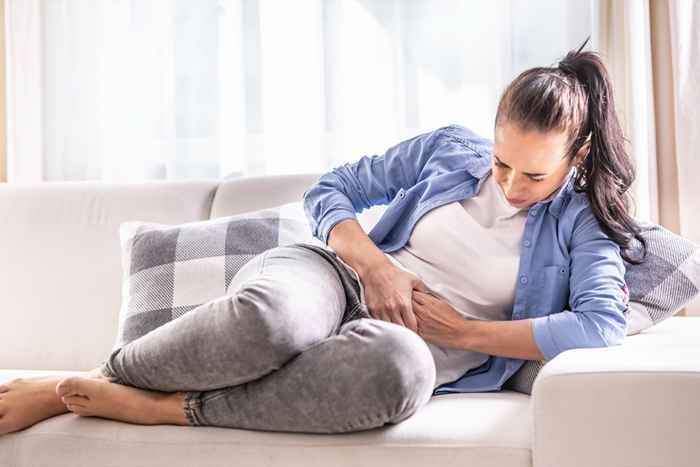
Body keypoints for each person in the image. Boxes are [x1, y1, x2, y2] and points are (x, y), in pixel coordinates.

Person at [0, 36, 646, 436]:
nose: (507, 184)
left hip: (404, 343)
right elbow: (332, 190)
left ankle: (167, 407)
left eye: (532, 173)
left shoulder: (586, 222)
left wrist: (464, 332)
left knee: (396, 373)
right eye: (500, 162)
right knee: (270, 318)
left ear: (578, 152)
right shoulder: (450, 149)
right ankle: (79, 384)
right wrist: (375, 266)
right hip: (336, 280)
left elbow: (598, 325)